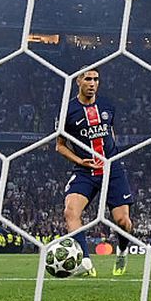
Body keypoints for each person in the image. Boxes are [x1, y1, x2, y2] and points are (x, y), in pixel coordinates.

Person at [57, 66, 135, 277]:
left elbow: (111, 133)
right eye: (88, 79)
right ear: (78, 82)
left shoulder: (108, 105)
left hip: (112, 169)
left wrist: (113, 157)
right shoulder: (68, 110)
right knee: (70, 212)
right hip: (85, 170)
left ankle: (122, 252)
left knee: (123, 222)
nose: (92, 83)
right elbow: (60, 145)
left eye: (96, 79)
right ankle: (85, 262)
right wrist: (80, 160)